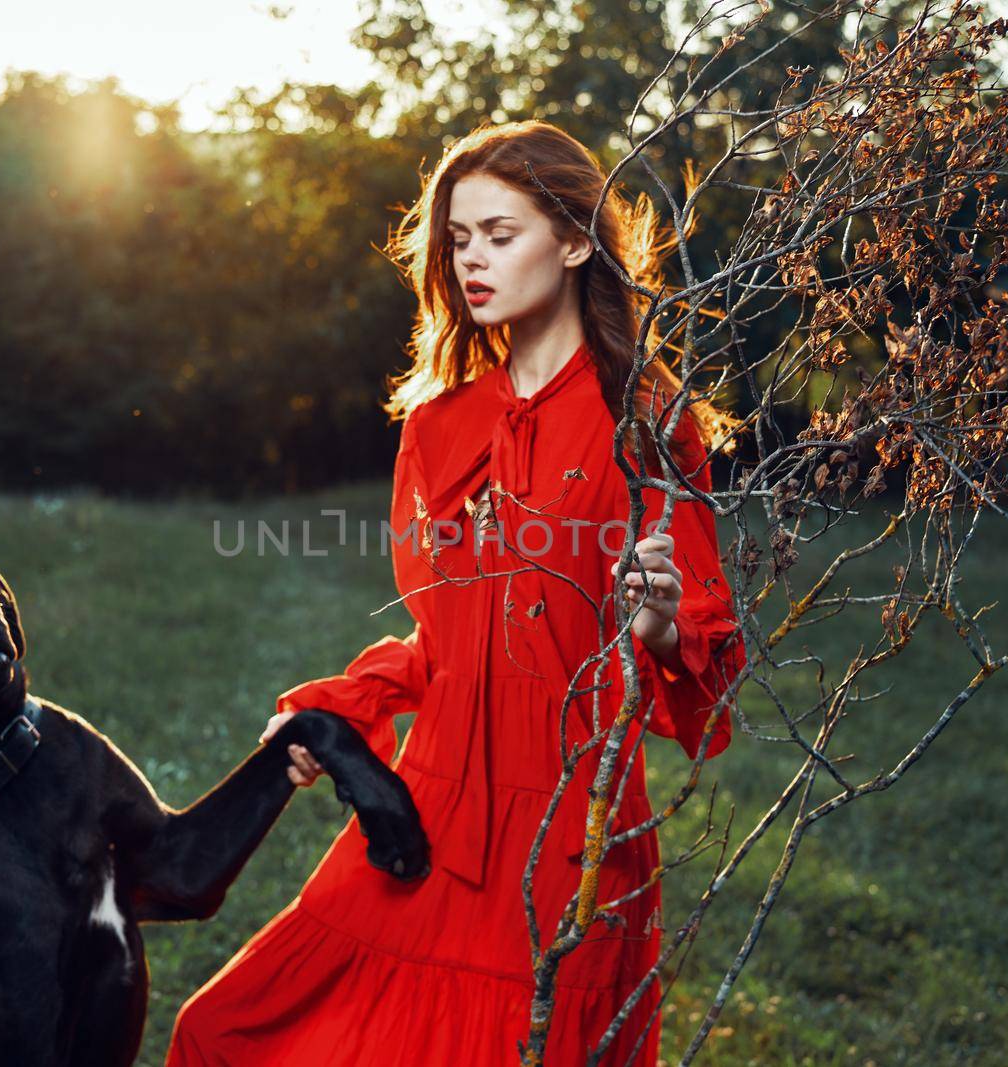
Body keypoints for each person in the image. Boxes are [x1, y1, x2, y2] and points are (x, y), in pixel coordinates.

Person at [165, 119, 746, 1066]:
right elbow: (440, 640)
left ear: (573, 239)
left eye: (500, 235)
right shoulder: (438, 426)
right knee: (224, 1032)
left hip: (569, 833)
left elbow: (699, 667)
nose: (472, 260)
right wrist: (334, 710)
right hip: (424, 820)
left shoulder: (647, 423)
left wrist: (656, 619)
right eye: (459, 238)